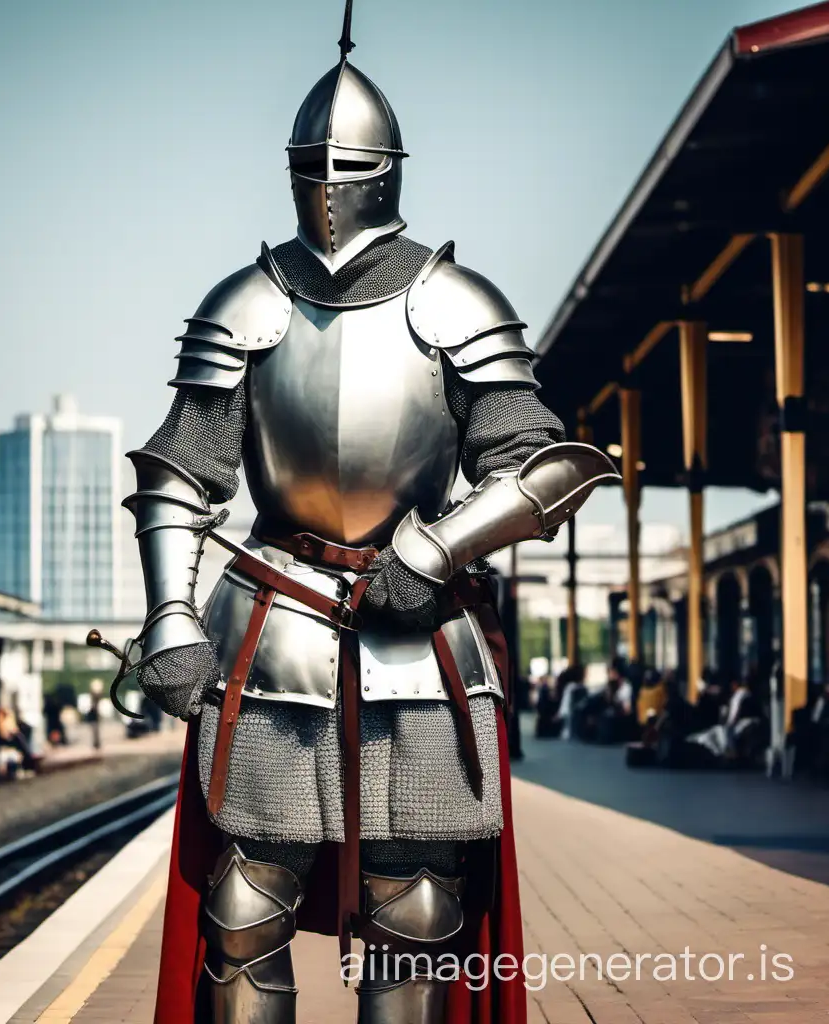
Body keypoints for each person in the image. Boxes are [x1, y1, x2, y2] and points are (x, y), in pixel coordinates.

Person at [114, 10, 618, 1023]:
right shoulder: (243, 303)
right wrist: (169, 617)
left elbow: (544, 463)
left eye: (342, 164)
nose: (328, 186)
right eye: (312, 163)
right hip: (271, 628)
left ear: (383, 171)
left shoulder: (456, 300)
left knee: (416, 909)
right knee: (244, 905)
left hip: (419, 635)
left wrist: (436, 547)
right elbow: (181, 469)